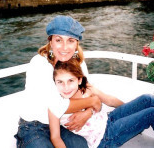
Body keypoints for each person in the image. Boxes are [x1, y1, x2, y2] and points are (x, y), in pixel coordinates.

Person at [15, 15, 102, 147]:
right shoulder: (39, 64)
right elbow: (59, 106)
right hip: (34, 125)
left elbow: (86, 90)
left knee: (81, 145)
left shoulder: (79, 63)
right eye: (59, 40)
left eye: (71, 41)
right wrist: (93, 102)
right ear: (51, 42)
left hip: (61, 124)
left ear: (77, 43)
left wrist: (88, 111)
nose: (65, 47)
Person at [49, 58, 154, 148]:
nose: (66, 87)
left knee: (147, 99)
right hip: (104, 138)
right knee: (152, 114)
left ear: (79, 80)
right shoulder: (57, 105)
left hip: (109, 118)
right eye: (60, 82)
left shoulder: (85, 89)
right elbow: (55, 137)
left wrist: (130, 114)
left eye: (70, 80)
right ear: (54, 82)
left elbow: (110, 100)